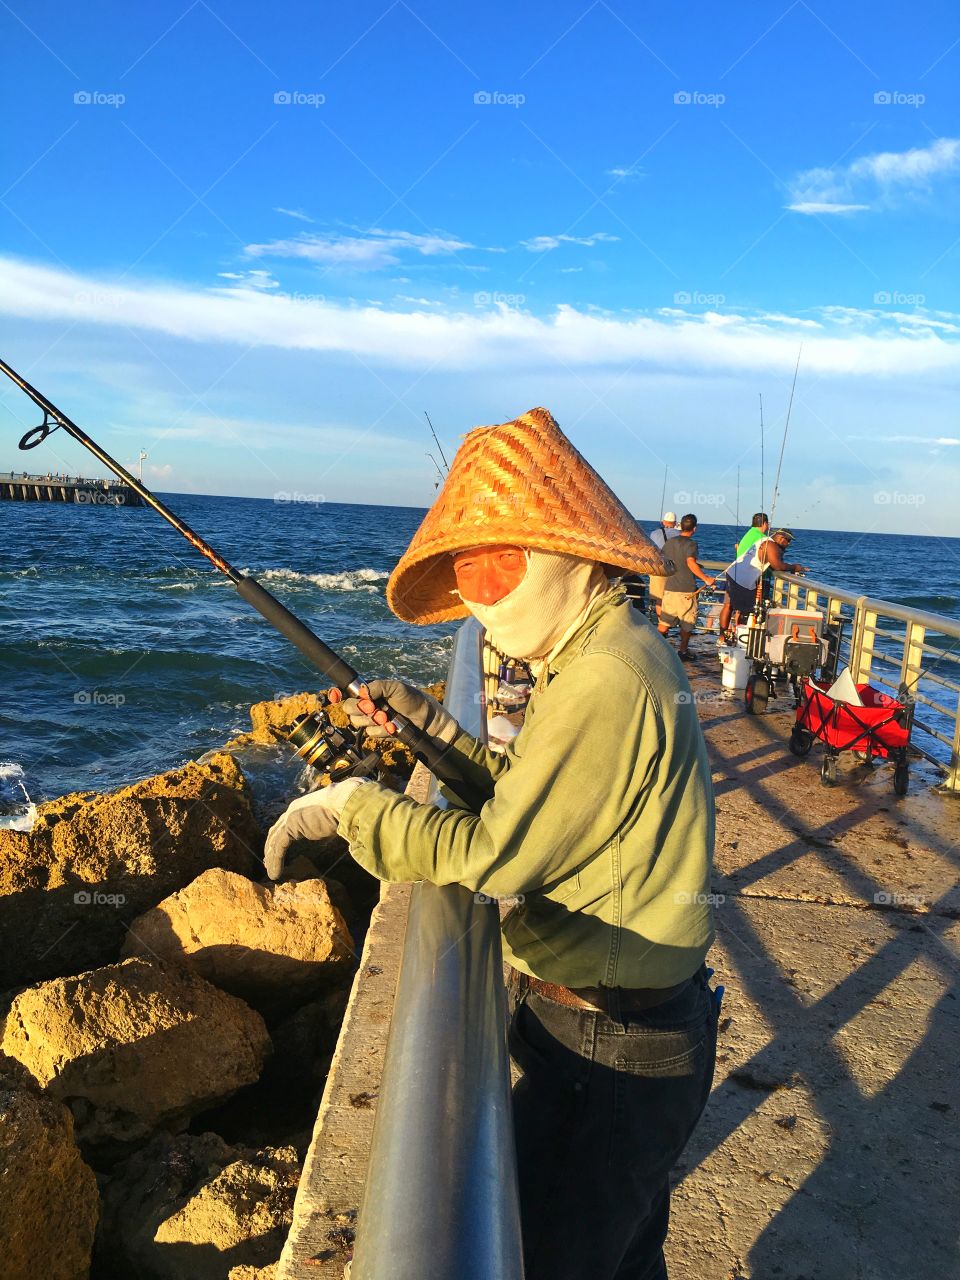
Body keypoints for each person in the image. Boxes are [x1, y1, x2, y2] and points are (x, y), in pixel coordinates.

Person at [264, 408, 719, 1280]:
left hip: (612, 1047)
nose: (476, 590)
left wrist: (355, 808)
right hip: (619, 1023)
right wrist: (427, 721)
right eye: (463, 567)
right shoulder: (594, 648)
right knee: (622, 1253)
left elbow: (496, 857)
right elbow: (535, 802)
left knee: (556, 1259)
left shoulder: (605, 677)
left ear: (560, 554)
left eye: (497, 561)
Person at [718, 526, 808, 639]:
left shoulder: (763, 541)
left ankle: (723, 636)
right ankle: (741, 639)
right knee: (747, 611)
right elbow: (777, 565)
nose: (789, 544)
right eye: (788, 540)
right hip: (743, 581)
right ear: (780, 538)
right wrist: (795, 567)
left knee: (728, 606)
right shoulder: (771, 545)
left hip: (733, 573)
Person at [656, 513, 716, 661]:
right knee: (687, 624)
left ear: (680, 526)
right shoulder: (691, 544)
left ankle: (656, 649)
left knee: (664, 623)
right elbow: (690, 562)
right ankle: (683, 651)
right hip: (686, 590)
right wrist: (706, 578)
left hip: (669, 588)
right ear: (694, 528)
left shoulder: (669, 543)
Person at [646, 510, 680, 617]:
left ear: (663, 522)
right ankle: (670, 624)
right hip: (675, 570)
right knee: (673, 599)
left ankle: (662, 624)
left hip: (659, 569)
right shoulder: (680, 534)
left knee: (659, 600)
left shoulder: (654, 533)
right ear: (675, 523)